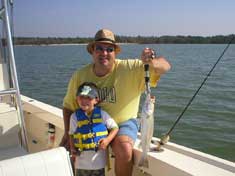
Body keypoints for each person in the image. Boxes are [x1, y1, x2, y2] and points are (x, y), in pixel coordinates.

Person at [61, 28, 171, 176]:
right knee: (65, 151)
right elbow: (68, 107)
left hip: (123, 123)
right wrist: (68, 135)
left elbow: (165, 66)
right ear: (92, 51)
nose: (104, 53)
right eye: (99, 48)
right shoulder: (80, 75)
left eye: (109, 49)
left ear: (115, 52)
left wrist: (151, 61)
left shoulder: (130, 68)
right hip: (91, 123)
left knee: (125, 149)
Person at [69, 82, 118, 176]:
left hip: (98, 163)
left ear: (96, 100)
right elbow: (71, 134)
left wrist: (107, 140)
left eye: (88, 98)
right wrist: (72, 148)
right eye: (81, 97)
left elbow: (115, 128)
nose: (84, 100)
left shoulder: (103, 114)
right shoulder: (74, 117)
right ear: (77, 99)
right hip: (81, 164)